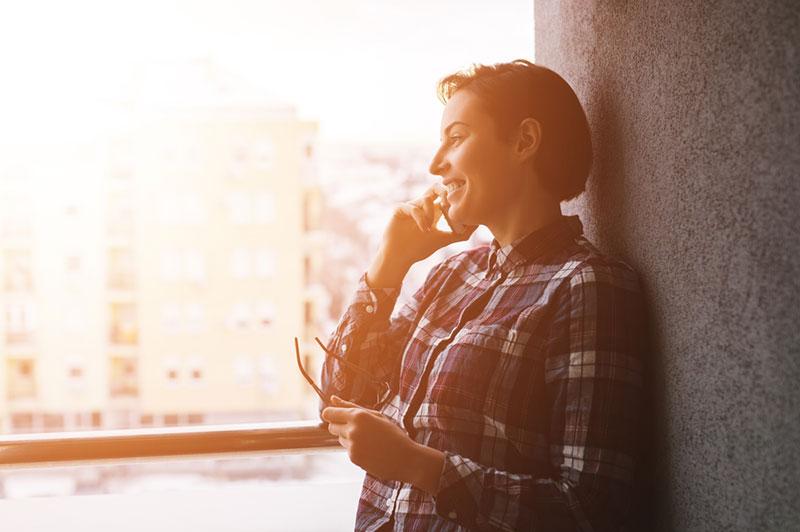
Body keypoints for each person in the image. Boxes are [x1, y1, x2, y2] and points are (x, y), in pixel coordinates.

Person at [319, 59, 645, 531]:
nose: (435, 164)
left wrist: (419, 465)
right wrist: (387, 267)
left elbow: (591, 509)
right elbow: (339, 396)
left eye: (456, 137)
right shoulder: (451, 276)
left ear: (524, 142)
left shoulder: (587, 286)